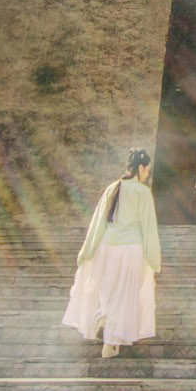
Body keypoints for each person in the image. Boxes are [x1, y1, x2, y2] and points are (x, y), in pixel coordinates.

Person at [62, 148, 160, 358]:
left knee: (107, 291)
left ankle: (104, 316)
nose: (147, 175)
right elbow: (148, 227)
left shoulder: (112, 188)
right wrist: (154, 259)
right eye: (147, 170)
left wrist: (86, 251)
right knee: (124, 294)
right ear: (141, 168)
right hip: (131, 248)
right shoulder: (142, 192)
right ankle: (111, 343)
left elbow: (98, 222)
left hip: (107, 247)